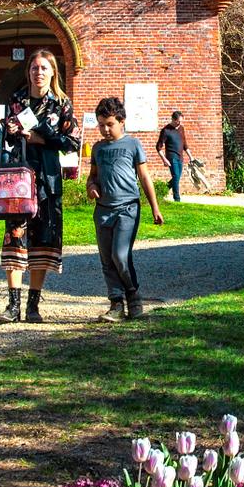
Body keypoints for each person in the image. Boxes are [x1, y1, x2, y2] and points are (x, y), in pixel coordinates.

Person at [0, 51, 81, 325]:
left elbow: (73, 142)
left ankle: (33, 305)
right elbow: (5, 136)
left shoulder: (62, 104)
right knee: (15, 238)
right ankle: (13, 305)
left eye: (44, 68)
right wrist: (9, 129)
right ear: (28, 71)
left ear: (53, 72)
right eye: (34, 67)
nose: (38, 72)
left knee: (43, 239)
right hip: (19, 179)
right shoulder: (17, 101)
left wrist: (42, 140)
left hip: (48, 179)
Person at [86, 95, 163, 320]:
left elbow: (145, 176)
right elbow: (92, 177)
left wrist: (154, 208)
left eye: (110, 124)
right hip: (103, 211)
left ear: (122, 121)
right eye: (101, 125)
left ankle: (133, 295)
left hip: (127, 208)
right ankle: (116, 303)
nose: (105, 129)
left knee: (120, 255)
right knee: (107, 260)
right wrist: (91, 187)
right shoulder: (98, 149)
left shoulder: (133, 144)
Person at [156, 110, 189, 202]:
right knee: (176, 176)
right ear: (173, 120)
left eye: (181, 121)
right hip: (171, 157)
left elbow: (184, 144)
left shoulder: (181, 128)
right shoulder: (166, 130)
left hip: (180, 157)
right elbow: (158, 147)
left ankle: (160, 192)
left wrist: (191, 157)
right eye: (179, 121)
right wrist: (164, 160)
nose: (180, 123)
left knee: (176, 178)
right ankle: (177, 199)